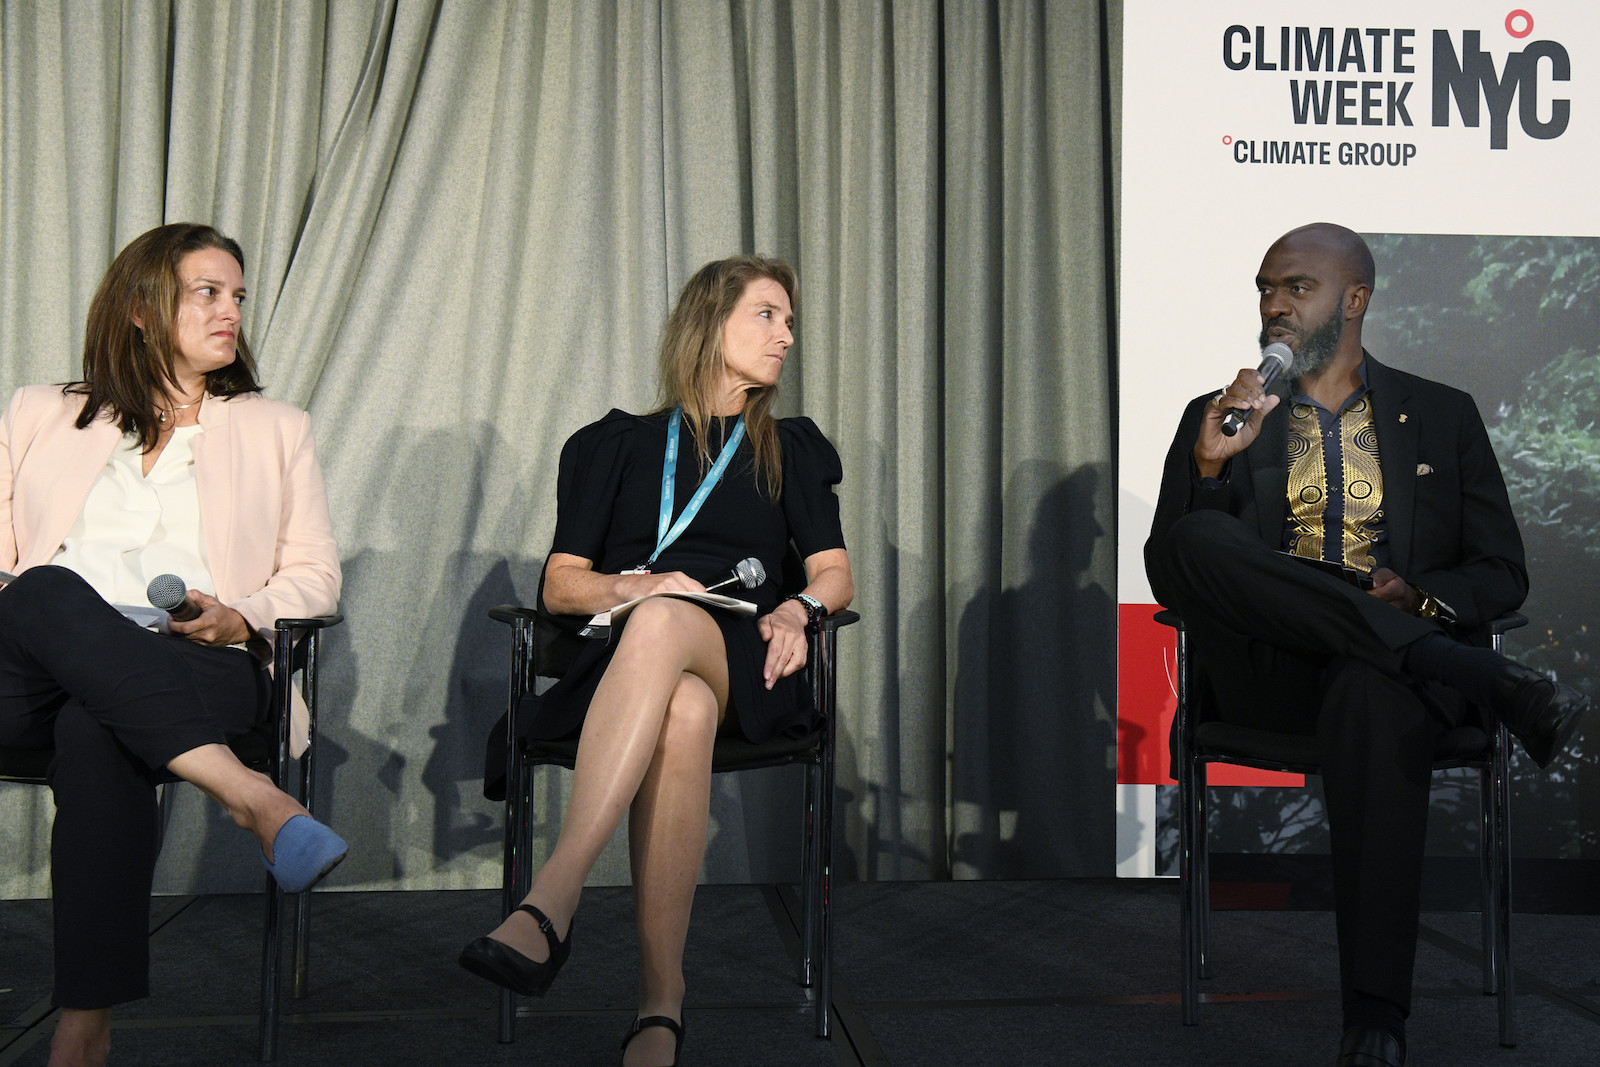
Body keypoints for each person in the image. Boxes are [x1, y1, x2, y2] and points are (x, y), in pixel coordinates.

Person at [1145, 222, 1587, 1067]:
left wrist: (1418, 597)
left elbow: (1501, 573)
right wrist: (1208, 469)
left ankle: (1375, 1020)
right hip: (1272, 678)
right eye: (1265, 287)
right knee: (1201, 539)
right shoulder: (1221, 417)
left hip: (1383, 686)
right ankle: (1478, 672)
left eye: (1297, 287)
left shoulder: (1444, 415)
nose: (1274, 303)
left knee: (1371, 684)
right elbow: (1179, 570)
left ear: (1355, 300)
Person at [459, 255, 853, 1067]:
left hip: (744, 657)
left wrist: (798, 607)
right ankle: (661, 1006)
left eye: (788, 320)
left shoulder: (790, 448)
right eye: (767, 316)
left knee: (675, 625)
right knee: (681, 707)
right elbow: (562, 584)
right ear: (710, 325)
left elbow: (834, 573)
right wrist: (631, 584)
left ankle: (553, 895)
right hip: (626, 668)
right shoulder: (617, 445)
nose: (787, 335)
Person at [0, 223, 345, 1067]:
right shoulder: (42, 410)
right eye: (207, 292)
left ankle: (84, 1024)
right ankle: (251, 796)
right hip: (35, 665)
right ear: (143, 310)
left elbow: (315, 579)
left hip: (197, 661)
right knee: (46, 588)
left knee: (98, 726)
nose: (230, 311)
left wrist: (240, 615)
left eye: (236, 296)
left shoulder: (274, 427)